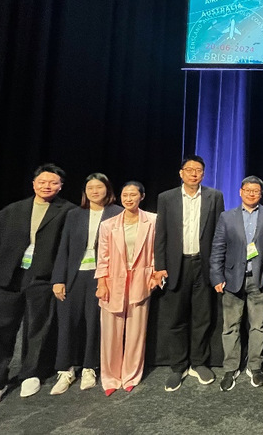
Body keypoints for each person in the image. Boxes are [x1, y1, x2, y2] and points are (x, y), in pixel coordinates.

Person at [0, 163, 76, 411]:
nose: (47, 186)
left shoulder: (68, 211)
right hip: (9, 278)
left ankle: (32, 373)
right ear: (33, 184)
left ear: (61, 186)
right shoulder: (12, 210)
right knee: (0, 329)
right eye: (42, 181)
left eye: (53, 182)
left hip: (42, 277)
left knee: (38, 326)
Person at [153, 155, 224, 391]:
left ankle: (199, 363)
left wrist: (217, 267)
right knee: (176, 318)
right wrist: (160, 265)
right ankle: (178, 366)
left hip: (203, 264)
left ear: (203, 174)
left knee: (202, 317)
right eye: (189, 169)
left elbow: (219, 234)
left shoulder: (215, 196)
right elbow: (161, 234)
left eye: (198, 170)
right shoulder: (167, 198)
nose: (194, 173)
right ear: (181, 172)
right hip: (177, 265)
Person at [49, 173, 123, 394]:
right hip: (74, 276)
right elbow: (64, 248)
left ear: (107, 189)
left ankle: (90, 367)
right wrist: (58, 279)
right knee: (67, 323)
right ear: (85, 191)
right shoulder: (74, 214)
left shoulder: (117, 213)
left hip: (101, 277)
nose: (94, 191)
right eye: (90, 188)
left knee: (94, 323)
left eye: (99, 187)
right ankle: (66, 369)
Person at [210, 176, 263, 391]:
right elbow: (218, 248)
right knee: (230, 326)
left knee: (258, 326)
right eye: (248, 190)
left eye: (256, 191)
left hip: (259, 278)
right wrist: (217, 276)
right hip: (231, 279)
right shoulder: (227, 217)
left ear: (261, 194)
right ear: (240, 192)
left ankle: (255, 366)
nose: (251, 194)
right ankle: (231, 368)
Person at [95, 181, 158, 395]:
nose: (128, 199)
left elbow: (156, 251)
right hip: (113, 281)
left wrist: (155, 275)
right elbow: (103, 256)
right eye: (125, 195)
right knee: (110, 333)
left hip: (141, 280)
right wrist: (101, 283)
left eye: (133, 195)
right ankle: (111, 378)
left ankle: (131, 375)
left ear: (142, 197)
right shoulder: (108, 225)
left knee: (136, 332)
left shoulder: (153, 220)